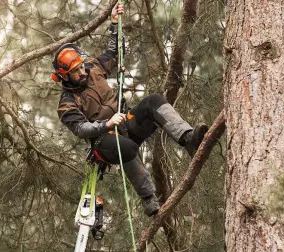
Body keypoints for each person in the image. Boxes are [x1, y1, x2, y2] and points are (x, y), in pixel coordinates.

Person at [52, 3, 208, 217]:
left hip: (126, 121)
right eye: (75, 71)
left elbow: (115, 51)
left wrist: (115, 23)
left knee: (153, 101)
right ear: (64, 76)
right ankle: (148, 198)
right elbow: (81, 128)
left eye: (80, 66)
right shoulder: (67, 102)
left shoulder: (93, 68)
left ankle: (187, 137)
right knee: (126, 147)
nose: (81, 72)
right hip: (103, 139)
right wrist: (106, 124)